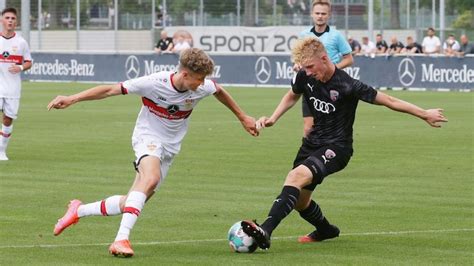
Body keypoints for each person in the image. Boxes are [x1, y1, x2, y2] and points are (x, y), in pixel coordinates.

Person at [241, 37, 448, 251]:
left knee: (294, 177)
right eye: (305, 68)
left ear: (324, 58)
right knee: (300, 201)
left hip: (337, 148)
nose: (308, 72)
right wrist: (274, 118)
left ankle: (265, 230)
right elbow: (292, 95)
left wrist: (424, 114)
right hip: (312, 144)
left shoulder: (348, 85)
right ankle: (326, 230)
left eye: (311, 67)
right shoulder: (305, 75)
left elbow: (390, 101)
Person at [48, 48, 259, 257]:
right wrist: (72, 98)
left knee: (131, 201)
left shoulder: (201, 88)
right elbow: (110, 90)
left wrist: (243, 117)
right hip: (147, 138)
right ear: (185, 74)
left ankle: (78, 210)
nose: (202, 84)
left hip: (170, 149)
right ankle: (120, 239)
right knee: (151, 178)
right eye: (199, 79)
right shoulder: (153, 83)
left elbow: (219, 91)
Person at [298, 0, 353, 137]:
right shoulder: (304, 35)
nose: (320, 16)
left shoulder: (336, 35)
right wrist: (298, 64)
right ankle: (308, 156)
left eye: (323, 13)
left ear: (329, 15)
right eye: (317, 13)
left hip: (330, 85)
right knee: (308, 129)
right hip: (310, 84)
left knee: (329, 129)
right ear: (312, 14)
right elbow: (299, 59)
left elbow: (349, 59)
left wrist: (333, 68)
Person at [0, 7, 33, 161]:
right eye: (7, 18)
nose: (10, 21)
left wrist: (19, 67)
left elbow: (28, 62)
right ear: (2, 20)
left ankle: (1, 151)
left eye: (13, 19)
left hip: (13, 88)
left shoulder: (21, 42)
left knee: (8, 119)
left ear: (16, 22)